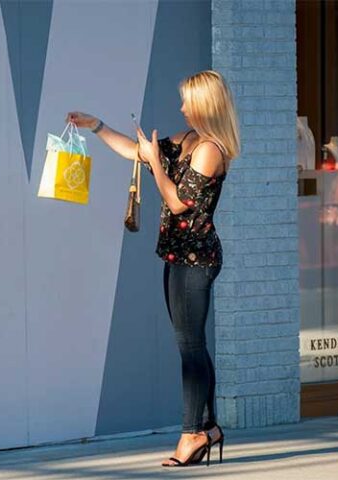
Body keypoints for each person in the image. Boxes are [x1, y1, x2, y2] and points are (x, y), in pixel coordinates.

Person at [68, 69, 240, 467]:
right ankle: (208, 428)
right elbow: (135, 152)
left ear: (203, 105)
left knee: (189, 346)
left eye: (186, 100)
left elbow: (179, 202)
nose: (180, 107)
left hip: (196, 260)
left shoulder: (211, 148)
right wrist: (97, 126)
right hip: (176, 257)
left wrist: (157, 166)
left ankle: (191, 435)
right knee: (191, 343)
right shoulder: (186, 140)